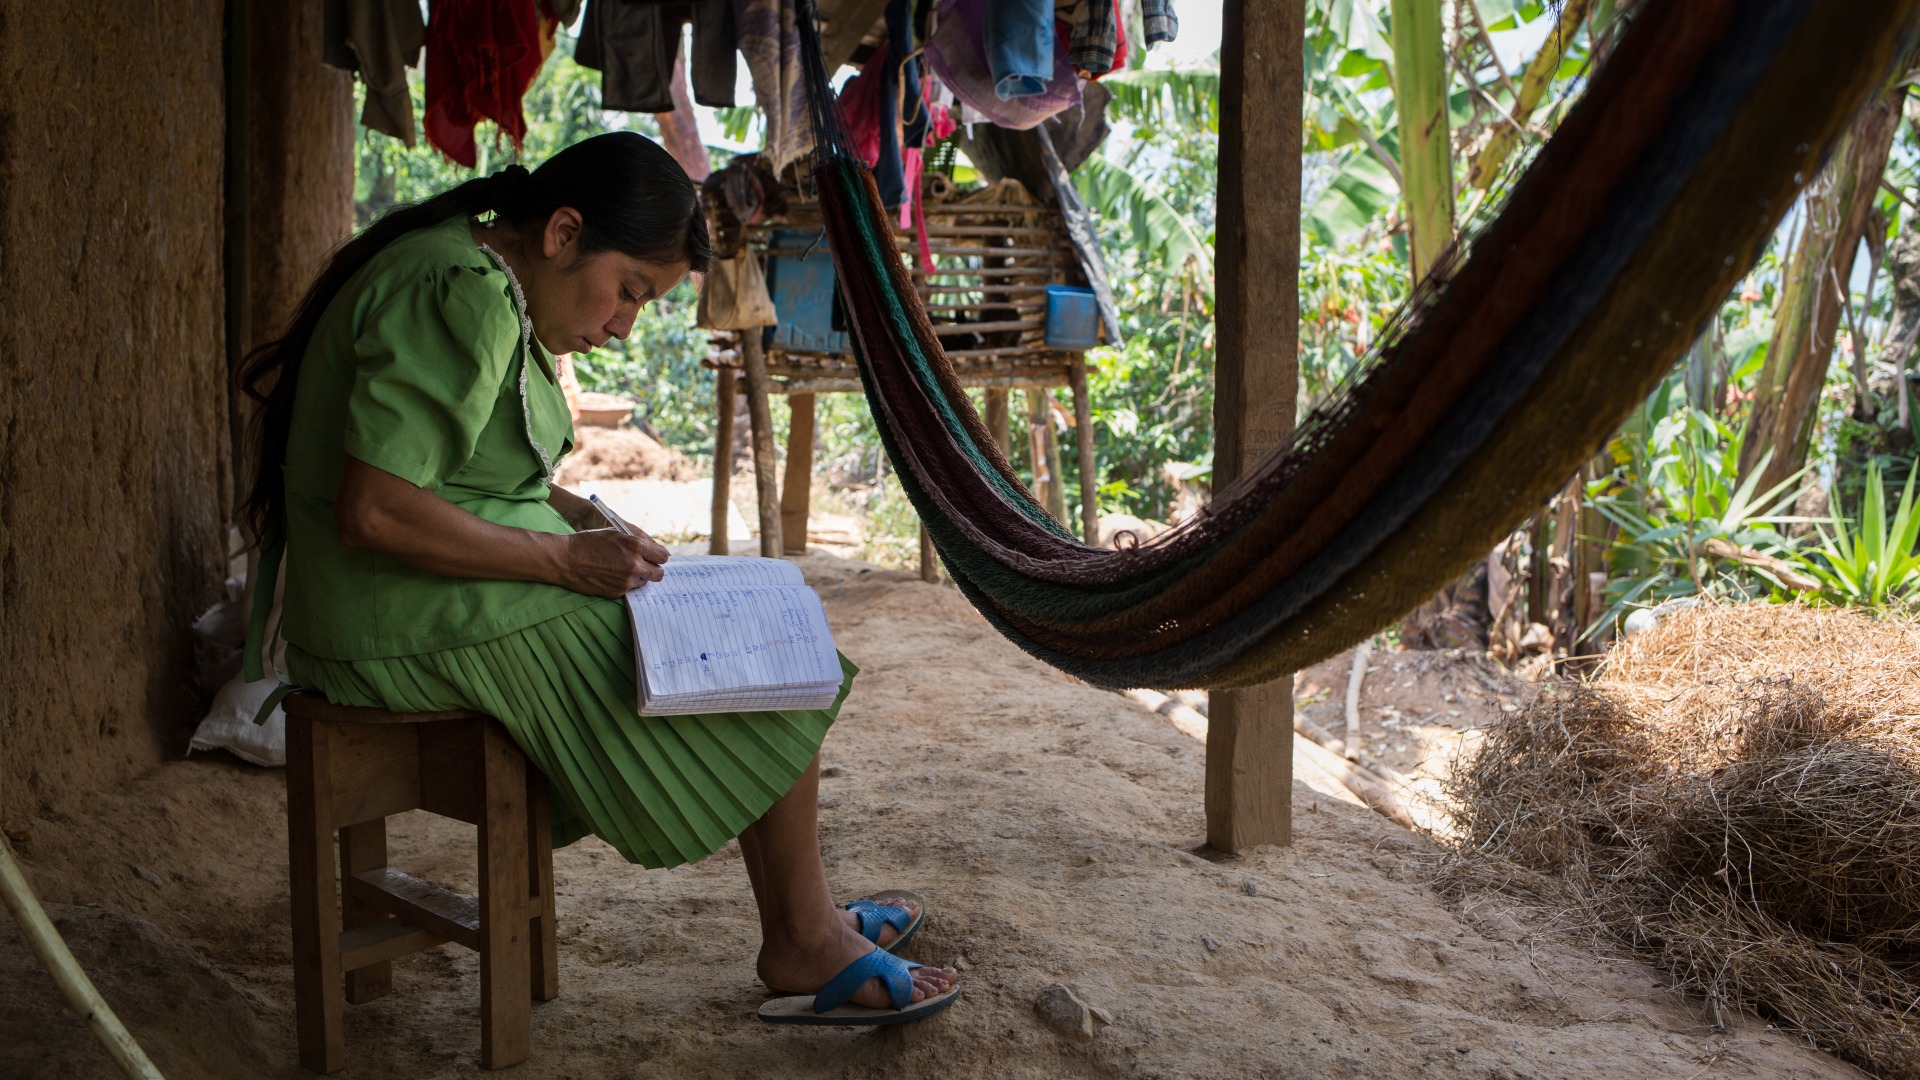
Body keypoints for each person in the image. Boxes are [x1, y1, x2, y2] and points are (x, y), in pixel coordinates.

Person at [237, 131, 957, 1024]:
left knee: (766, 633)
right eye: (629, 291)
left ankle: (800, 924)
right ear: (563, 232)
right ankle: (804, 938)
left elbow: (473, 471)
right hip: (392, 617)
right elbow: (376, 509)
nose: (622, 324)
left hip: (431, 598)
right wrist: (559, 559)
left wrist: (578, 514)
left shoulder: (486, 276)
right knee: (755, 655)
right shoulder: (458, 289)